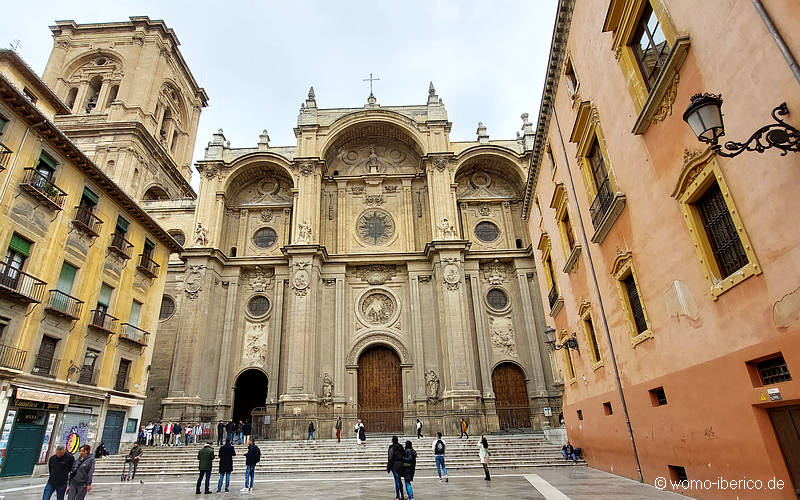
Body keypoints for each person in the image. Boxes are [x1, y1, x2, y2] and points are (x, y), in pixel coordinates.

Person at [387, 436, 406, 500]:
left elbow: (390, 457)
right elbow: (404, 454)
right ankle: (402, 495)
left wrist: (388, 467)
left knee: (397, 480)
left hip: (394, 465)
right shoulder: (401, 447)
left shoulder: (392, 448)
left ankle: (398, 496)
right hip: (401, 464)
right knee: (399, 481)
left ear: (392, 441)